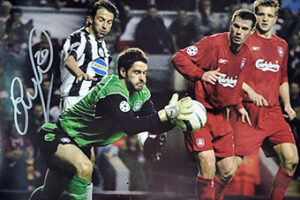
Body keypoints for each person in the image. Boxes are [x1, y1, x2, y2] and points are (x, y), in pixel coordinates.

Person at [29, 47, 194, 200]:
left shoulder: (142, 94)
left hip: (80, 145)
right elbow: (129, 126)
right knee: (85, 168)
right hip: (57, 135)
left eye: (144, 73)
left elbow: (153, 123)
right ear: (122, 71)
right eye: (137, 72)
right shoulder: (112, 89)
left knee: (47, 196)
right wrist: (166, 114)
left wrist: (174, 120)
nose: (142, 78)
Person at [171, 9, 256, 200]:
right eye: (236, 26)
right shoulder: (212, 43)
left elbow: (236, 83)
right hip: (198, 112)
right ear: (230, 25)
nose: (238, 32)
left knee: (227, 170)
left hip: (221, 116)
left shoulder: (247, 55)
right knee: (207, 162)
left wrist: (239, 105)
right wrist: (201, 74)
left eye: (244, 29)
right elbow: (178, 58)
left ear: (251, 32)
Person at [230, 1, 299, 199]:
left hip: (273, 112)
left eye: (269, 15)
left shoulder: (281, 45)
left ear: (275, 18)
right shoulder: (245, 41)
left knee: (291, 159)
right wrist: (250, 92)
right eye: (261, 14)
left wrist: (287, 104)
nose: (265, 19)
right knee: (228, 169)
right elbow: (231, 73)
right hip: (247, 112)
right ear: (255, 16)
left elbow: (283, 78)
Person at [60, 0, 119, 111]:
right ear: (90, 19)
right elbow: (69, 60)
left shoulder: (104, 47)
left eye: (109, 22)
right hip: (76, 100)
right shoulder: (80, 37)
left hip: (95, 103)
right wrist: (79, 73)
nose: (105, 26)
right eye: (101, 20)